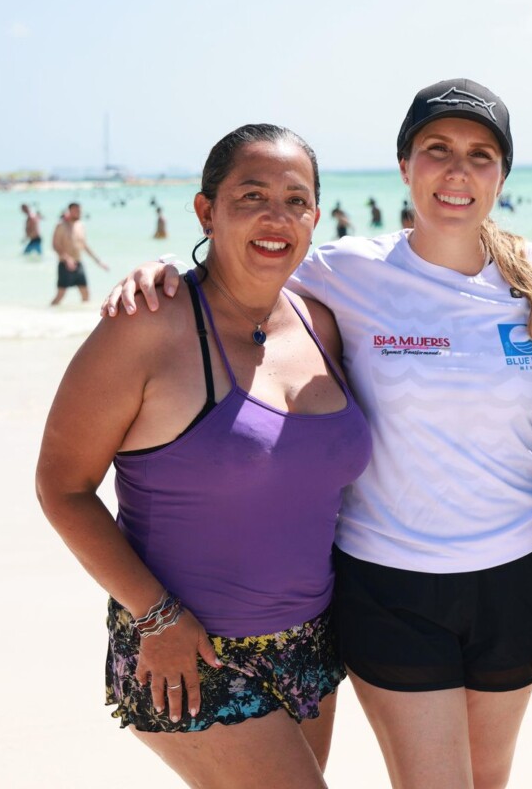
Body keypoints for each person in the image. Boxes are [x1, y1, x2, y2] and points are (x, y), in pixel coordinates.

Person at [102, 78, 532, 789]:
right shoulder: (341, 270)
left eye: (480, 155)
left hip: (519, 573)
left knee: (488, 779)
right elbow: (240, 274)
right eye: (435, 149)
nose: (456, 170)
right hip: (390, 580)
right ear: (403, 164)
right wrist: (164, 273)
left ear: (502, 174)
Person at [36, 124, 372, 786]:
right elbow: (61, 487)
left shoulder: (323, 322)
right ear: (205, 210)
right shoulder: (146, 326)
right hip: (185, 650)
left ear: (314, 215)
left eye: (296, 199)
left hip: (311, 644)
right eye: (251, 195)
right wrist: (156, 617)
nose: (276, 216)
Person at [50, 202, 109, 304]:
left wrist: (98, 261)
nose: (79, 213)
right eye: (76, 211)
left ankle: (82, 317)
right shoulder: (61, 225)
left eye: (80, 211)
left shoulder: (80, 225)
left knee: (86, 294)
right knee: (60, 295)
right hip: (64, 264)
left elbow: (84, 246)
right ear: (69, 211)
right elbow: (55, 245)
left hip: (78, 264)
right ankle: (47, 313)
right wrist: (67, 259)